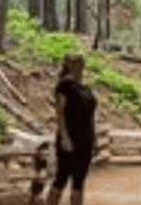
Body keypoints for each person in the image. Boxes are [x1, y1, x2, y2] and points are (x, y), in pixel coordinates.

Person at [47, 54, 99, 205]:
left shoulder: (87, 90)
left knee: (79, 182)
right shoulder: (64, 86)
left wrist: (94, 139)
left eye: (82, 64)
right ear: (69, 65)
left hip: (85, 141)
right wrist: (64, 138)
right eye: (77, 63)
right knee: (61, 178)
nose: (81, 66)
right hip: (69, 140)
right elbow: (60, 114)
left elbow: (91, 117)